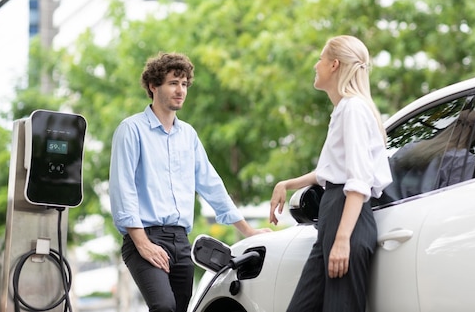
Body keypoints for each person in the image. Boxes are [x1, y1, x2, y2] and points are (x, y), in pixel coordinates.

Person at [109, 52, 269, 312]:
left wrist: (247, 230)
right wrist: (143, 243)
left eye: (184, 84)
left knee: (182, 309)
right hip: (144, 236)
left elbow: (211, 184)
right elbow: (122, 189)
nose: (180, 90)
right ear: (153, 86)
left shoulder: (188, 135)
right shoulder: (131, 130)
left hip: (181, 241)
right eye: (173, 83)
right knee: (164, 307)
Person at [269, 35, 392, 312]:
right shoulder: (344, 110)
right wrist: (288, 183)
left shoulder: (353, 109)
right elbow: (331, 171)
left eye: (320, 59)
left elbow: (358, 182)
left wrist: (341, 240)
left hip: (346, 219)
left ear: (334, 65)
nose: (316, 65)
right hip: (332, 218)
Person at [387, 109, 475, 200]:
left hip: (387, 210)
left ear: (453, 123)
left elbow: (385, 178)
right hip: (425, 214)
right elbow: (453, 198)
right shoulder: (463, 159)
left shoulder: (413, 147)